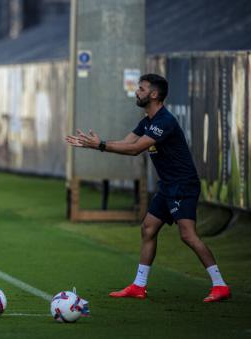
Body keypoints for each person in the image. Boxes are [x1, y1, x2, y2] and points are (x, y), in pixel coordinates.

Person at [65, 73, 230, 303]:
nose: (137, 92)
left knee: (188, 235)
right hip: (168, 185)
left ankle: (220, 285)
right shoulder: (147, 121)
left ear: (153, 94)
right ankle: (139, 286)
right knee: (148, 228)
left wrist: (101, 145)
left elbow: (135, 149)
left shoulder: (165, 122)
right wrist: (96, 145)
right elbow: (127, 142)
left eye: (141, 89)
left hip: (183, 185)